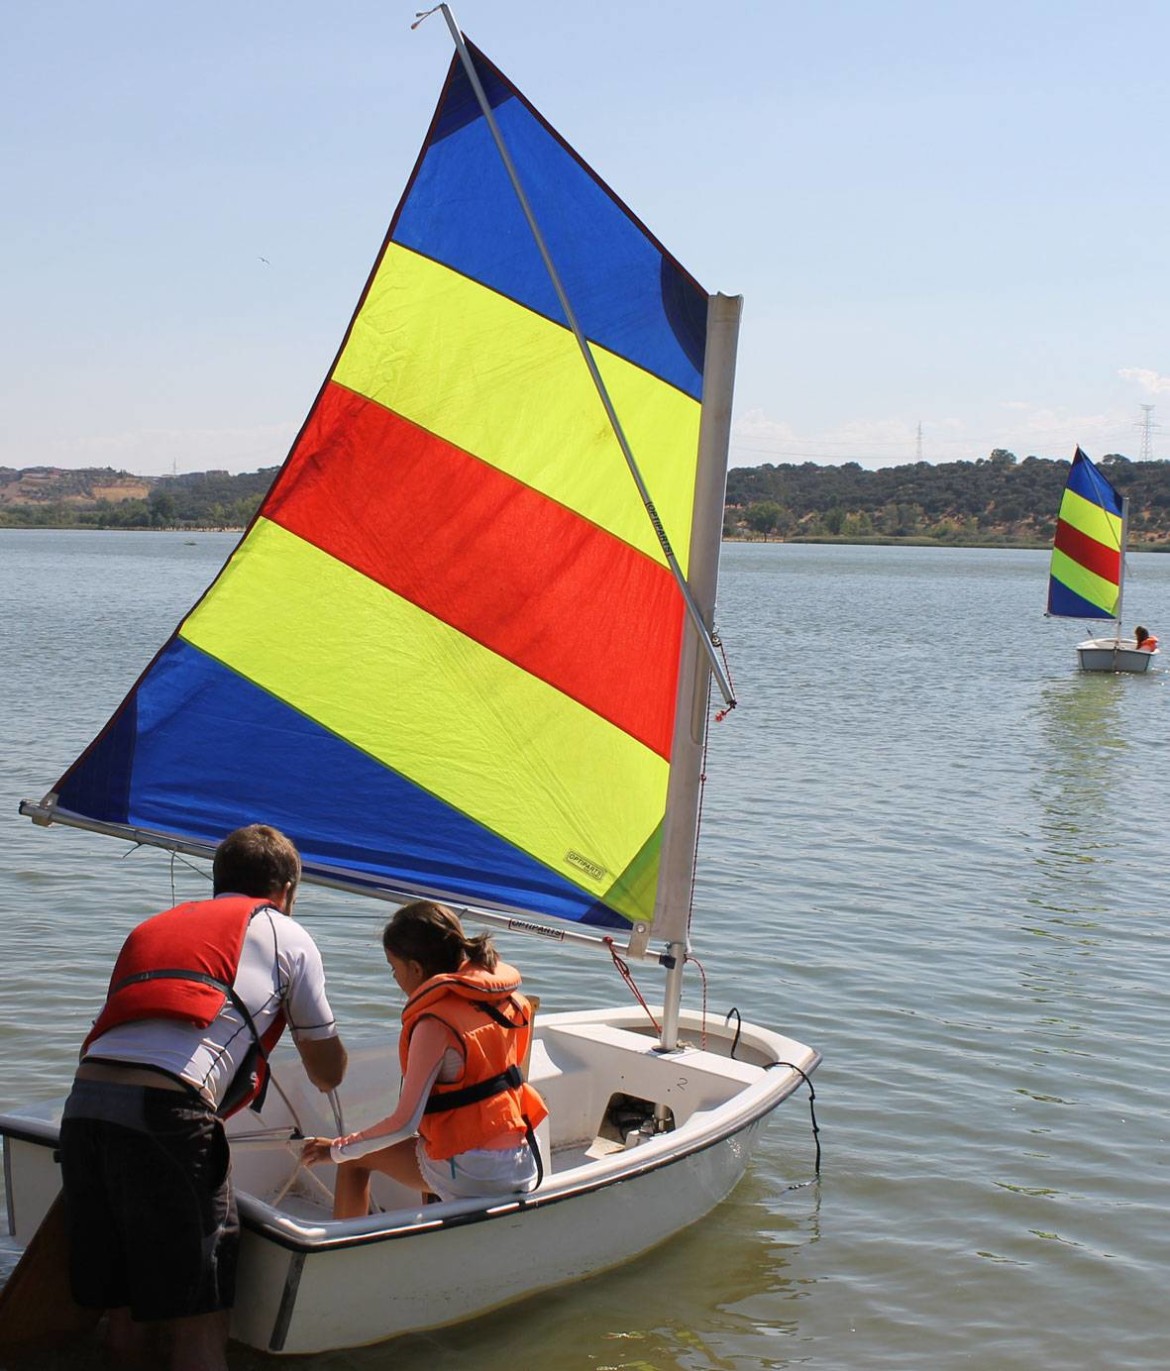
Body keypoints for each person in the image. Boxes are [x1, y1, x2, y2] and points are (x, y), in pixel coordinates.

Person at [59, 824, 347, 1371]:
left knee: (123, 1307)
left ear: (218, 881)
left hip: (86, 1107)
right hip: (168, 1113)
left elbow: (103, 1038)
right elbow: (326, 1071)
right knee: (200, 1311)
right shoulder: (288, 935)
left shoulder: (154, 925)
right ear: (286, 889)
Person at [303, 900, 546, 1218]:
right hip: (523, 1158)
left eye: (394, 968)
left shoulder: (434, 1024)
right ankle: (438, 1220)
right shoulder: (510, 1000)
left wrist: (334, 1150)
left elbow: (403, 1124)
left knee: (353, 1161)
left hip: (477, 1171)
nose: (395, 978)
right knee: (427, 1144)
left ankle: (343, 1253)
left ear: (415, 968)